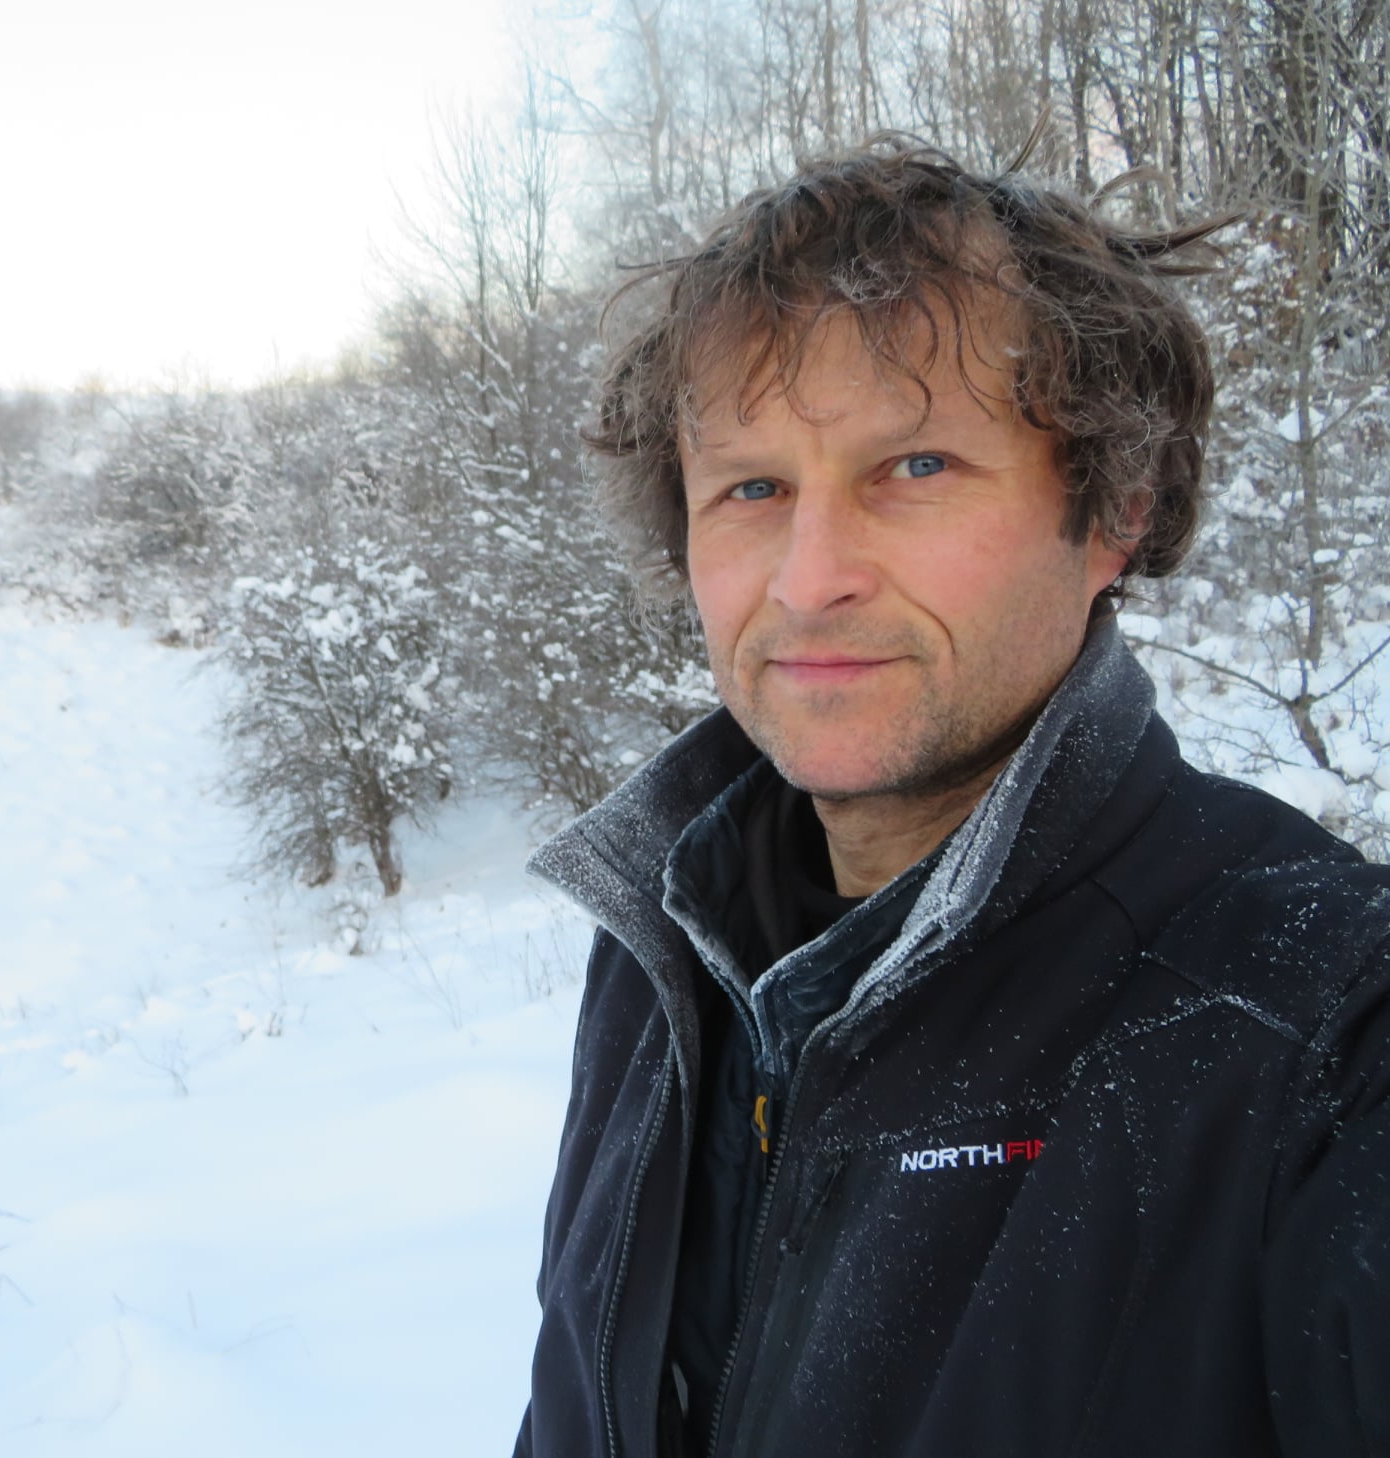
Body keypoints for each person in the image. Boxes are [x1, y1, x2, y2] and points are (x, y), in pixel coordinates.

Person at [514, 138, 1390, 1458]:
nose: (809, 577)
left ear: (1116, 504)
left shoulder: (1321, 1025)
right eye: (751, 487)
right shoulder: (657, 965)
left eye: (914, 466)